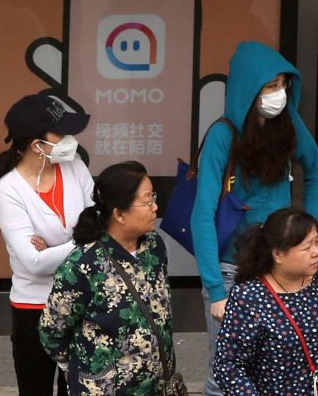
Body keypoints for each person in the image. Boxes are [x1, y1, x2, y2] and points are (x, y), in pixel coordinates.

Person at [190, 41, 318, 395]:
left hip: (281, 267)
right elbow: (202, 214)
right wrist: (216, 291)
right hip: (232, 270)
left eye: (283, 84)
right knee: (224, 377)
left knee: (285, 368)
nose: (279, 94)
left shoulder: (289, 123)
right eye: (270, 86)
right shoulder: (223, 135)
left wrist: (308, 231)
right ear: (249, 88)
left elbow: (314, 167)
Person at [0, 92, 93, 396]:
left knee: (79, 389)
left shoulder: (75, 166)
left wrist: (56, 249)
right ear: (36, 145)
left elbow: (100, 228)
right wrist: (83, 242)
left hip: (81, 301)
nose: (69, 140)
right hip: (33, 308)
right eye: (60, 133)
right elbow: (33, 263)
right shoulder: (8, 190)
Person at [39, 161, 176, 395]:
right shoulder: (83, 264)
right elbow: (53, 330)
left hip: (158, 386)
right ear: (119, 214)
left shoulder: (154, 246)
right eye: (147, 201)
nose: (155, 207)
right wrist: (81, 367)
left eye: (153, 197)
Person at [213, 207, 318, 394]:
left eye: (317, 243)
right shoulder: (249, 298)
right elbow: (228, 366)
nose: (315, 252)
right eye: (306, 248)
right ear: (278, 254)